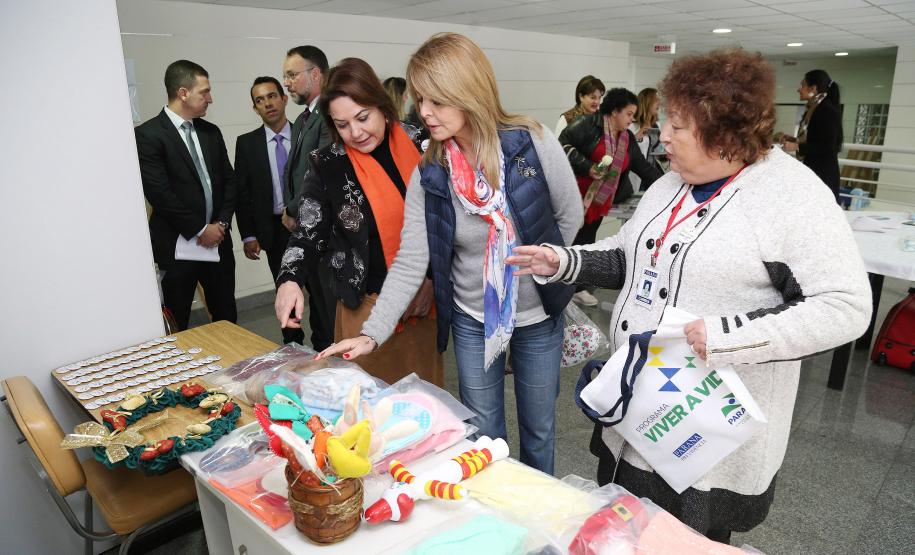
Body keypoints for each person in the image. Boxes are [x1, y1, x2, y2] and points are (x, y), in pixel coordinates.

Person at [509, 48, 871, 543]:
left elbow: (844, 306)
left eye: (676, 127)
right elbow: (630, 254)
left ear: (723, 132)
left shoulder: (791, 196)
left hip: (705, 428)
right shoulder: (672, 185)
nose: (662, 138)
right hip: (640, 408)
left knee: (687, 539)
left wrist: (726, 336)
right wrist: (565, 261)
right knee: (625, 529)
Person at [318, 33, 583, 475]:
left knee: (539, 431)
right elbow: (410, 260)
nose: (423, 112)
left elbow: (568, 218)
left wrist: (543, 271)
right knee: (484, 435)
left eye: (436, 100)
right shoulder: (431, 174)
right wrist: (371, 334)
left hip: (538, 317)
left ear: (468, 91)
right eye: (420, 99)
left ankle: (540, 530)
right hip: (473, 321)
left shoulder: (530, 143)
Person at [273, 58, 442, 386]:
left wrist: (432, 280)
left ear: (382, 106)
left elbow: (442, 221)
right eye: (343, 124)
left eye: (363, 117)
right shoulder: (328, 164)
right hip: (363, 304)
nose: (356, 132)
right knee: (367, 410)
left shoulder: (421, 143)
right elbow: (308, 231)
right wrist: (290, 279)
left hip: (422, 303)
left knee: (424, 407)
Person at [135, 60, 237, 330]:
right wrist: (200, 228)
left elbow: (229, 181)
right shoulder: (148, 135)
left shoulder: (210, 132)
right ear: (182, 93)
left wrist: (221, 225)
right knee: (176, 321)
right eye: (204, 91)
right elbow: (160, 193)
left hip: (218, 244)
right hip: (177, 248)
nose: (210, 99)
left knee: (226, 316)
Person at [559, 87, 663, 307]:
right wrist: (587, 167)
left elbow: (643, 168)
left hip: (598, 202)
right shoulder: (588, 124)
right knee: (572, 240)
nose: (632, 119)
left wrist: (671, 185)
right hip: (576, 198)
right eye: (628, 113)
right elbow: (562, 145)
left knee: (586, 240)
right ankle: (563, 288)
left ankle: (576, 287)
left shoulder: (626, 139)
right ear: (615, 111)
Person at [234, 76, 303, 345]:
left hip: (308, 225)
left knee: (319, 292)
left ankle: (326, 342)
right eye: (259, 100)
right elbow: (243, 193)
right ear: (255, 108)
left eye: (272, 96)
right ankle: (294, 345)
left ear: (284, 99)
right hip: (273, 230)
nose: (267, 103)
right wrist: (248, 234)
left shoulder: (304, 135)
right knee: (285, 289)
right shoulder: (247, 143)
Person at [280, 45, 335, 350]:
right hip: (303, 226)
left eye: (291, 75)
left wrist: (293, 209)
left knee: (328, 312)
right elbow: (293, 171)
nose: (287, 83)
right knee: (317, 308)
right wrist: (289, 211)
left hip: (324, 232)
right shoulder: (302, 120)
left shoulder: (329, 115)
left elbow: (318, 172)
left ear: (315, 74)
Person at [782, 69, 843, 202]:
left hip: (823, 172)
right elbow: (815, 138)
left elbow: (827, 146)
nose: (799, 89)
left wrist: (797, 146)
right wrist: (794, 140)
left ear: (813, 88)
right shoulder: (814, 108)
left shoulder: (826, 110)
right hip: (814, 168)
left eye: (802, 85)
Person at [629, 87, 662, 191]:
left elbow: (658, 151)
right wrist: (639, 134)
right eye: (656, 101)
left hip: (652, 173)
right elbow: (625, 147)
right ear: (647, 102)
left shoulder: (657, 125)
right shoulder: (631, 125)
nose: (659, 104)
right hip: (636, 174)